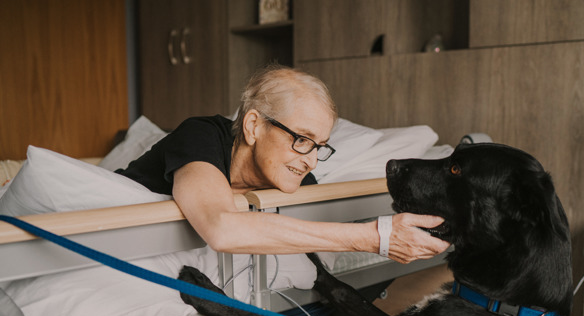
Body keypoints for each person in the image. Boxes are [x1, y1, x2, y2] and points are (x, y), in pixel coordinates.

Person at [118, 64, 449, 264]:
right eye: (302, 139)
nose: (310, 160)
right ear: (253, 126)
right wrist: (374, 237)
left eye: (319, 146)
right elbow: (221, 229)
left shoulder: (292, 178)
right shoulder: (200, 136)